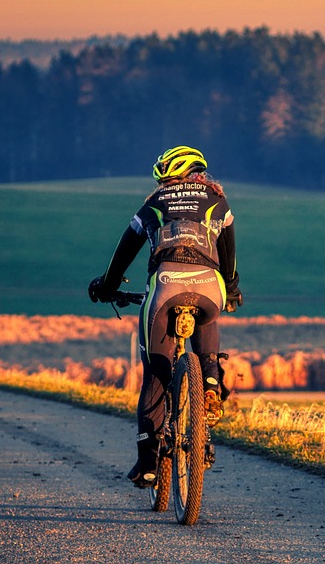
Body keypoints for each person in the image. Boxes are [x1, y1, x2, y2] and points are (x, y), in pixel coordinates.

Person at [87, 145, 243, 488]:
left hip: (165, 286)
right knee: (207, 311)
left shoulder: (154, 204)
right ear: (198, 174)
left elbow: (123, 252)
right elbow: (228, 255)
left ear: (166, 179)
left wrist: (107, 285)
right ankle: (212, 379)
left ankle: (148, 464)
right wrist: (231, 290)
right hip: (209, 287)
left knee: (156, 376)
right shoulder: (218, 200)